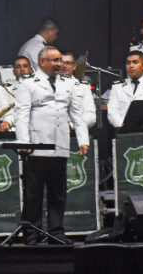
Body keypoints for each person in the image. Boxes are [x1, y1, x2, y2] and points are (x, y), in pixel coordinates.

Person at [14, 46, 89, 244]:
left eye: (61, 61)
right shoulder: (28, 82)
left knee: (58, 194)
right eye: (55, 60)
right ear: (42, 62)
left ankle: (56, 233)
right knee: (34, 193)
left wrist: (83, 139)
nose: (60, 64)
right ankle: (32, 234)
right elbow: (21, 115)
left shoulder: (67, 83)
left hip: (60, 144)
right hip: (37, 145)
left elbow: (76, 113)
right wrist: (23, 141)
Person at [107, 51, 143, 130]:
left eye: (135, 62)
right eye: (128, 63)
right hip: (123, 131)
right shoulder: (117, 87)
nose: (130, 66)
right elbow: (112, 111)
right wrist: (123, 127)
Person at [60, 52, 96, 128]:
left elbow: (91, 117)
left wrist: (71, 125)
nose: (64, 65)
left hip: (76, 133)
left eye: (68, 63)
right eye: (61, 62)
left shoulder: (83, 87)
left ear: (74, 66)